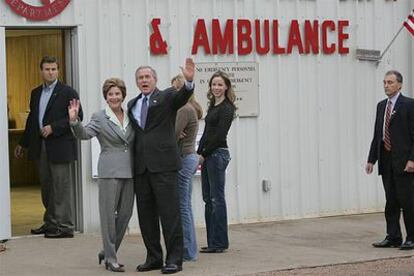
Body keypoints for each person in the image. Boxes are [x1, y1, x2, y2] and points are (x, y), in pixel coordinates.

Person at [127, 58, 195, 274]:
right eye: (140, 77)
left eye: (148, 77)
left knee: (170, 214)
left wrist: (189, 82)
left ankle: (174, 259)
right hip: (141, 169)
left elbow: (181, 96)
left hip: (164, 166)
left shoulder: (166, 97)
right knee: (146, 217)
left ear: (155, 80)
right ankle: (154, 257)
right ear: (137, 82)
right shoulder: (132, 104)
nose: (144, 80)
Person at [68, 78, 134, 272]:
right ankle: (111, 258)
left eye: (117, 93)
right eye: (110, 94)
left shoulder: (131, 115)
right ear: (106, 97)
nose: (114, 97)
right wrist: (74, 121)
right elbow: (85, 134)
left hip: (130, 171)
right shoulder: (99, 117)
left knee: (125, 215)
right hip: (109, 171)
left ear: (123, 95)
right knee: (107, 217)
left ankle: (106, 252)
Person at [14, 56, 82, 238]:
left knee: (61, 187)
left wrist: (54, 127)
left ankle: (65, 226)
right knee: (46, 186)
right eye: (47, 69)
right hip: (41, 146)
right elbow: (32, 120)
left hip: (60, 146)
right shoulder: (36, 93)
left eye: (53, 69)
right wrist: (23, 143)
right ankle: (51, 223)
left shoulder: (68, 92)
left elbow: (77, 117)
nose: (50, 72)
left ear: (58, 71)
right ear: (41, 71)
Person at [366, 70, 414, 250]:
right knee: (391, 201)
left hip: (404, 163)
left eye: (390, 82)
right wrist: (371, 159)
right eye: (385, 82)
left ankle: (412, 237)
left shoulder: (409, 105)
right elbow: (377, 134)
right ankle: (393, 236)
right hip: (386, 162)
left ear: (400, 85)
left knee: (408, 201)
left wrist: (412, 160)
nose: (386, 85)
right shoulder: (381, 106)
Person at [197, 71, 236, 253]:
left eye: (220, 85)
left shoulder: (227, 108)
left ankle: (220, 242)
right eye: (214, 84)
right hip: (207, 155)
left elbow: (220, 136)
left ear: (226, 86)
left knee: (216, 199)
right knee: (208, 199)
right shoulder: (213, 106)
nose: (217, 88)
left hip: (217, 155)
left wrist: (204, 154)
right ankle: (213, 242)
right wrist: (198, 153)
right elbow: (206, 134)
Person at [171, 74, 203, 261]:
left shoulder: (183, 109)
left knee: (182, 206)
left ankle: (187, 251)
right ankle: (190, 249)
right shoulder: (189, 108)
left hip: (184, 158)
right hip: (189, 158)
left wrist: (172, 132)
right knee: (186, 205)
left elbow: (172, 135)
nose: (174, 92)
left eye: (177, 89)